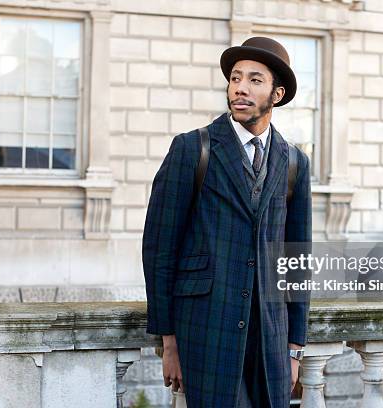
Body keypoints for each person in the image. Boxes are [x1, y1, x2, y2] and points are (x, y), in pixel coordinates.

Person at [142, 36, 312, 408]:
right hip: (206, 331)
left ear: (277, 94)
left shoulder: (295, 163)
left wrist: (294, 348)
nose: (240, 89)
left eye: (254, 80)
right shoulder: (193, 149)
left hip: (270, 338)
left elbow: (297, 261)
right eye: (235, 79)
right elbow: (159, 250)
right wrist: (168, 342)